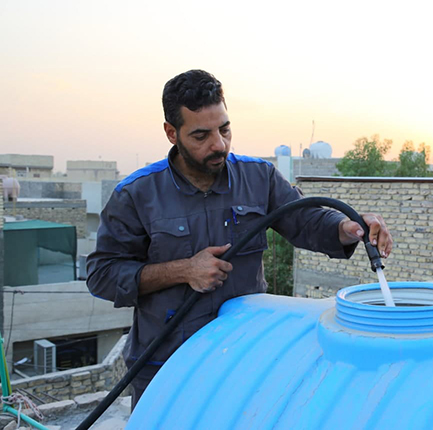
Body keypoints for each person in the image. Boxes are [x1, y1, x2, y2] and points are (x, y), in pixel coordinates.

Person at [86, 69, 393, 408]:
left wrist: (346, 227)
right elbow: (102, 275)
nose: (218, 144)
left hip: (245, 360)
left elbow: (305, 219)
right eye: (201, 135)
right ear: (171, 133)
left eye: (224, 129)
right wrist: (184, 270)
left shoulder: (258, 177)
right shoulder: (136, 194)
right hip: (168, 367)